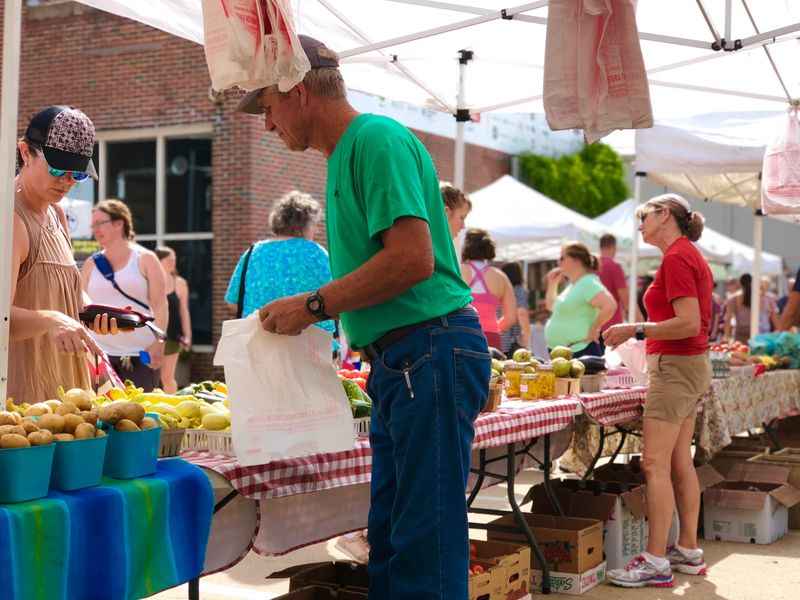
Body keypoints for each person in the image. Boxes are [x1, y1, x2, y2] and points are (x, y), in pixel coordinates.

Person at [238, 35, 489, 599]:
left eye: (268, 107)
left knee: (423, 539)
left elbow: (412, 259)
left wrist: (312, 306)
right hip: (408, 358)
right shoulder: (347, 153)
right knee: (396, 537)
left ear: (297, 91)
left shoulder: (374, 139)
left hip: (429, 350)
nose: (267, 125)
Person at [603, 193, 713, 588]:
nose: (638, 223)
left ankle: (655, 560)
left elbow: (687, 322)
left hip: (676, 367)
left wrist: (636, 328)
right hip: (687, 366)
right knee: (678, 461)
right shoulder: (686, 255)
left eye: (643, 216)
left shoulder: (678, 258)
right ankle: (686, 550)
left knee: (654, 464)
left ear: (665, 214)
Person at [9, 105, 115, 404]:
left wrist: (93, 313)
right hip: (21, 401)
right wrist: (52, 319)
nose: (67, 181)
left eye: (77, 174)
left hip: (67, 394)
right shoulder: (10, 220)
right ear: (25, 153)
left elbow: (69, 296)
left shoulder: (56, 214)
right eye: (57, 168)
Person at [81, 199, 168, 390]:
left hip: (141, 356)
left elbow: (160, 305)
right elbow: (80, 306)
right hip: (100, 356)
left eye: (100, 223)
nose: (95, 230)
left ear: (119, 223)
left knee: (141, 415)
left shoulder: (145, 259)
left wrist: (158, 342)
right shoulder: (91, 264)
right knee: (99, 415)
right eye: (92, 225)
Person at [225, 191, 335, 337]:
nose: (317, 230)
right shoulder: (317, 254)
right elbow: (337, 300)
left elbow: (232, 303)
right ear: (302, 224)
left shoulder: (252, 253)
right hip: (311, 350)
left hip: (258, 348)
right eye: (314, 224)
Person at [544, 242, 617, 358]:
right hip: (565, 353)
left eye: (562, 258)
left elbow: (610, 305)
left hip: (580, 351)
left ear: (576, 260)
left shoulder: (588, 282)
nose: (558, 262)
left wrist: (594, 328)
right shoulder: (574, 285)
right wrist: (552, 284)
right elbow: (551, 306)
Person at [461, 228, 517, 349]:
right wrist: (493, 328)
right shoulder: (500, 277)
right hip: (491, 338)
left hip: (463, 335)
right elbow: (511, 317)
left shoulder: (459, 271)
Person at [155, 247, 192, 393]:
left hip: (172, 336)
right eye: (169, 259)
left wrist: (187, 336)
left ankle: (173, 409)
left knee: (167, 378)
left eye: (174, 259)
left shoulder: (180, 283)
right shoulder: (149, 281)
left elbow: (184, 311)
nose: (173, 262)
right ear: (158, 261)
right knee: (150, 377)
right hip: (151, 337)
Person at [722, 273, 778, 343]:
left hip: (740, 333)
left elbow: (728, 318)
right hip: (758, 332)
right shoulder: (760, 297)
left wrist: (726, 336)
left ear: (740, 284)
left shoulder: (733, 298)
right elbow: (772, 314)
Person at [598, 233, 630, 332]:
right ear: (614, 247)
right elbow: (625, 299)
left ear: (600, 247)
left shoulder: (590, 267)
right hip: (612, 324)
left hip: (592, 325)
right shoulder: (614, 266)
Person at [500, 262, 531, 355]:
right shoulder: (518, 290)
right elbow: (521, 313)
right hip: (512, 341)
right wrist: (526, 337)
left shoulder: (499, 289)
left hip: (498, 338)